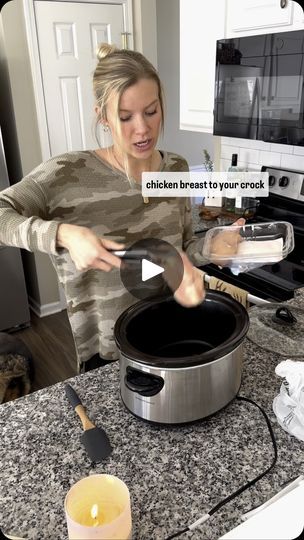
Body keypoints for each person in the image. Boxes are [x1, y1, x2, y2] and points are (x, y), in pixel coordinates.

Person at [0, 43, 244, 373]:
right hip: (108, 357)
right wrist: (63, 234)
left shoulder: (175, 168)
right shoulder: (66, 174)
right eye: (125, 117)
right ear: (103, 116)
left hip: (173, 337)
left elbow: (180, 247)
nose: (142, 129)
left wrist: (213, 247)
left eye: (152, 111)